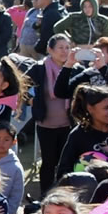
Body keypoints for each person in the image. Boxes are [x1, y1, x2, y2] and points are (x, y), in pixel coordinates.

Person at [33, 35, 75, 199]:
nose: (64, 51)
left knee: (65, 161)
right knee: (49, 162)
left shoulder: (74, 68)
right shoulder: (40, 68)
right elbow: (25, 84)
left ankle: (64, 196)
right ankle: (46, 195)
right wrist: (31, 99)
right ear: (50, 50)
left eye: (67, 47)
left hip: (68, 123)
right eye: (60, 47)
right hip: (46, 124)